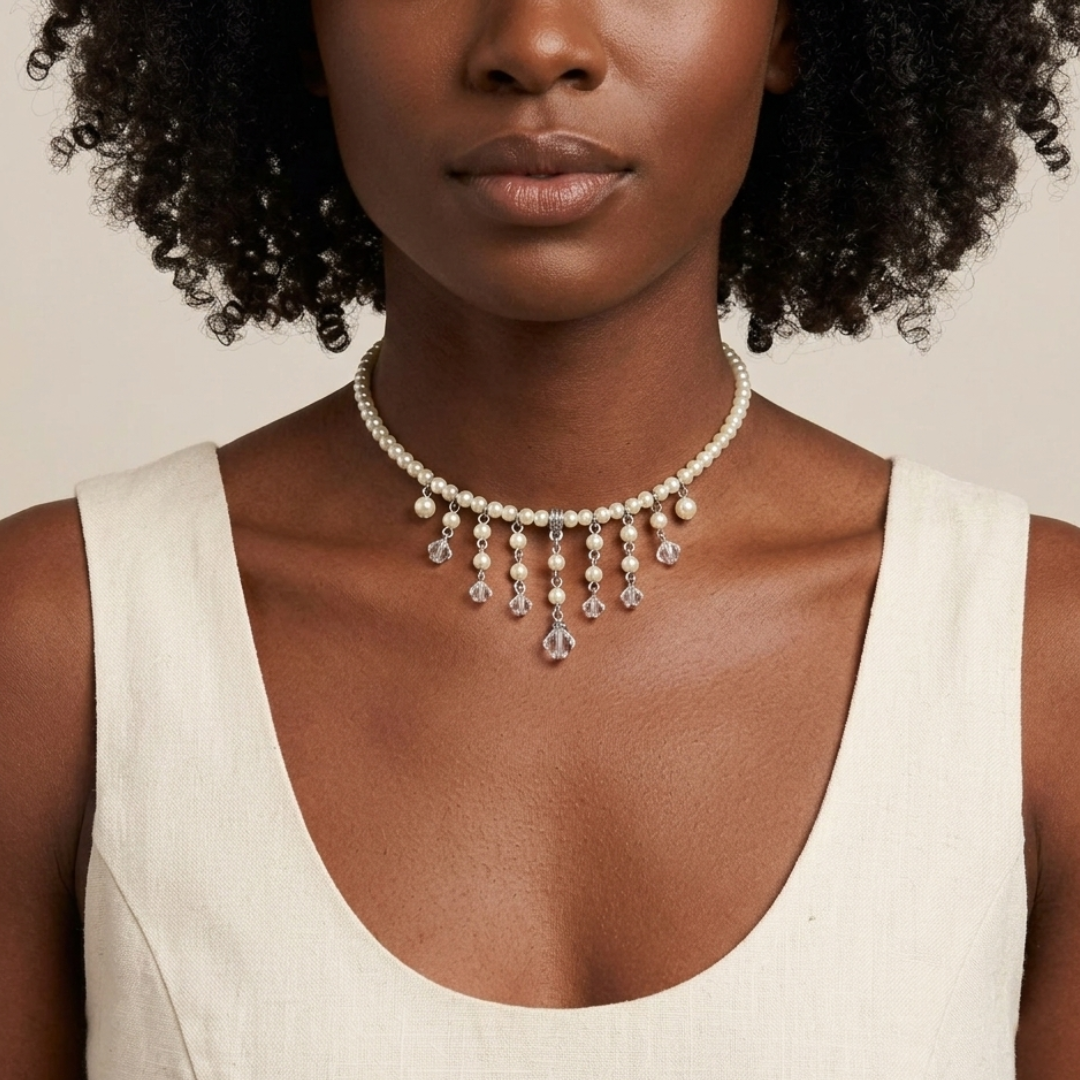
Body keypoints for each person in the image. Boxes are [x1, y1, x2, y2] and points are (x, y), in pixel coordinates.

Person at [2, 0, 1079, 1075]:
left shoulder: (1039, 662)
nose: (536, 45)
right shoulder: (62, 646)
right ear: (303, 31)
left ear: (794, 28)